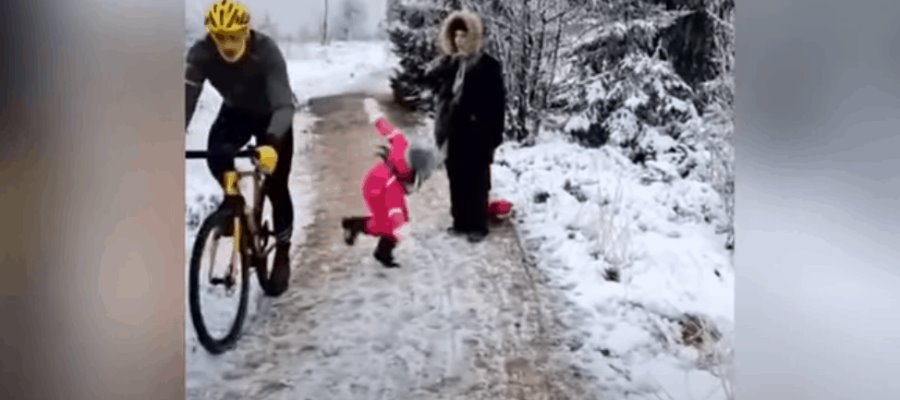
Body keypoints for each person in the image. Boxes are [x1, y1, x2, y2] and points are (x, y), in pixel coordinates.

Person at [185, 0, 296, 296]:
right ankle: (232, 201)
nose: (229, 44)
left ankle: (282, 251)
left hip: (272, 115)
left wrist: (271, 142)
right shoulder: (201, 54)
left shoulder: (266, 51)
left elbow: (284, 105)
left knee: (276, 185)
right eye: (221, 37)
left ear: (247, 31)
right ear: (211, 36)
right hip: (236, 112)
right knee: (216, 153)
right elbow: (185, 101)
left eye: (235, 36)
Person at [424, 9, 507, 243]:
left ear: (473, 36)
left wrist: (493, 135)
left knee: (477, 180)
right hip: (453, 132)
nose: (459, 40)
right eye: (455, 36)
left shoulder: (488, 66)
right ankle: (460, 222)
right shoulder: (449, 64)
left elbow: (497, 103)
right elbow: (433, 87)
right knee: (457, 177)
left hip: (477, 133)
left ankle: (478, 225)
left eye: (463, 35)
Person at [340, 117, 437, 268]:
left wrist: (378, 119)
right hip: (376, 191)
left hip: (378, 180)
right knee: (388, 226)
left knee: (397, 222)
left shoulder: (402, 150)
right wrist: (399, 226)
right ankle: (364, 234)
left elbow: (394, 134)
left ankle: (375, 239)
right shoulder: (393, 186)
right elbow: (394, 207)